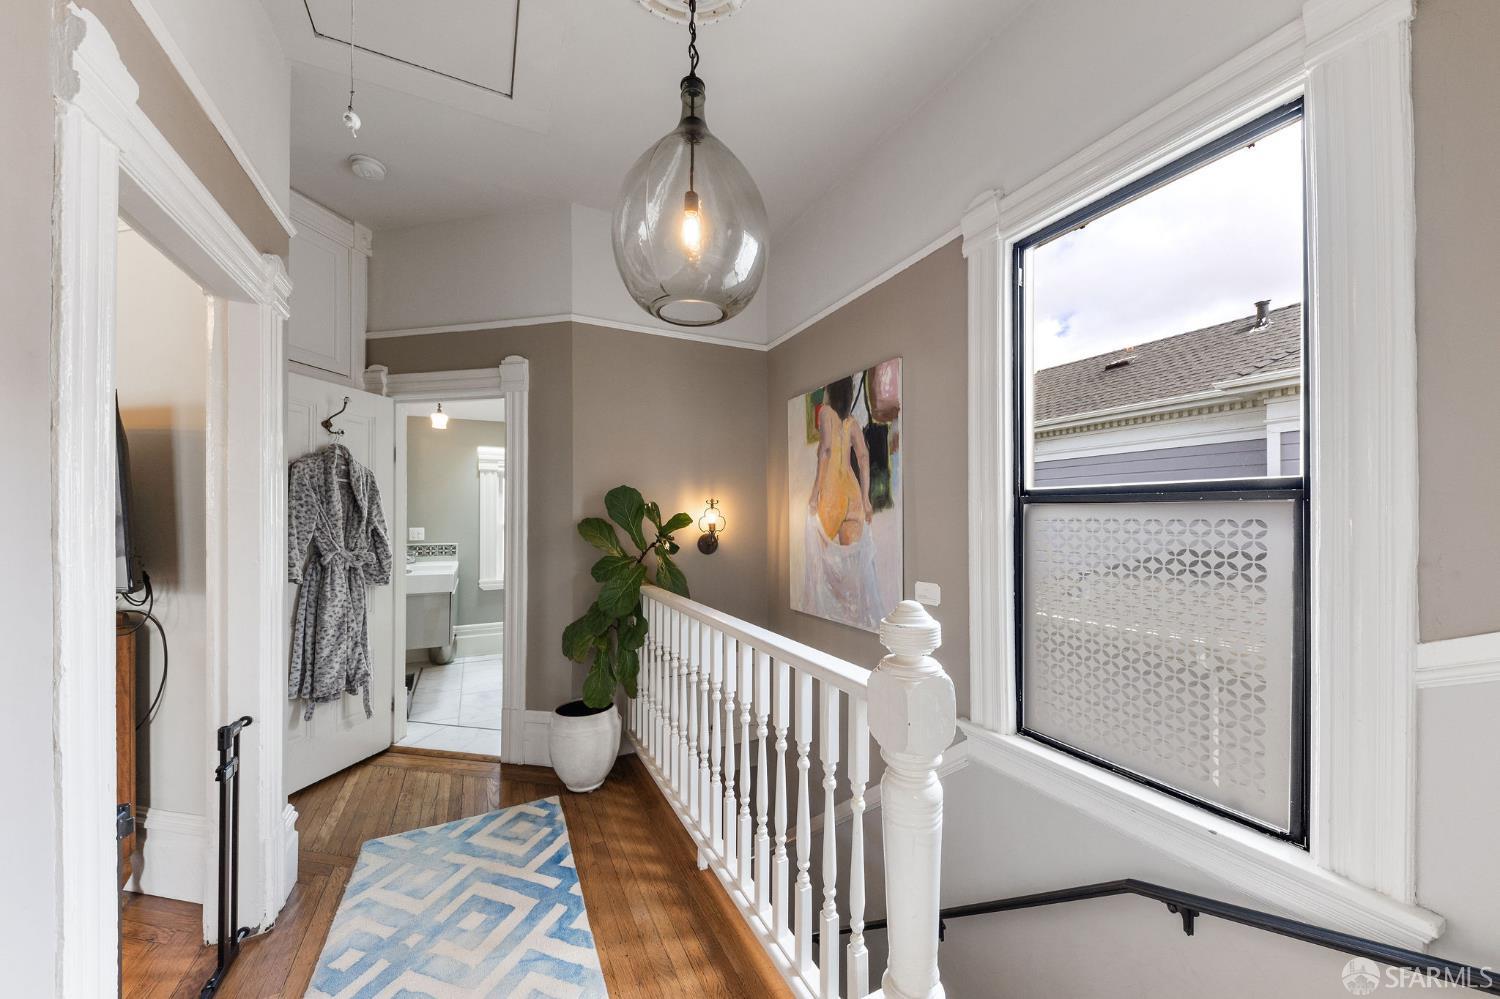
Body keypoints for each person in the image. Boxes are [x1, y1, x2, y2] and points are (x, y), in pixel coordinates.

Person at [803, 375, 883, 630]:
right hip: (853, 494)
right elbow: (863, 456)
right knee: (853, 567)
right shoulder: (852, 423)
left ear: (830, 392)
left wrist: (815, 493)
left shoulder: (826, 413)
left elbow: (826, 450)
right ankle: (854, 617)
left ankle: (827, 616)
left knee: (821, 562)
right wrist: (866, 498)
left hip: (832, 493)